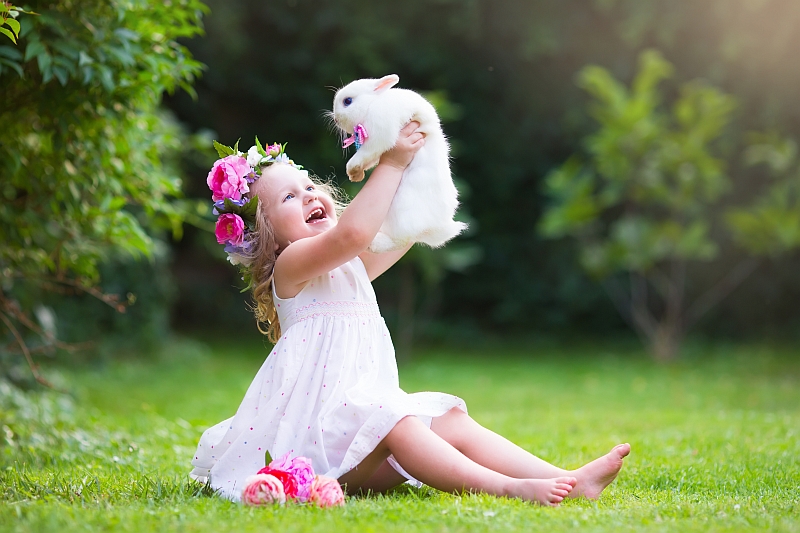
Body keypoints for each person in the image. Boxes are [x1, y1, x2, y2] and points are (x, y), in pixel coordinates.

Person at [191, 123, 630, 506]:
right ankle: (508, 488)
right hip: (320, 451)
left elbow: (402, 231)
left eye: (308, 186)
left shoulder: (351, 267)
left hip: (361, 442)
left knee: (450, 420)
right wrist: (393, 165)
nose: (308, 196)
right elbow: (354, 232)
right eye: (289, 196)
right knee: (395, 419)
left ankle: (565, 480)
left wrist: (418, 165)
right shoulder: (290, 267)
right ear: (266, 233)